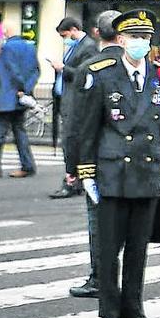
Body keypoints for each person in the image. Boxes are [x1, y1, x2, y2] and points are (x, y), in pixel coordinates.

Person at [75, 9, 160, 318]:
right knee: (109, 248)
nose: (140, 43)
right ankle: (110, 311)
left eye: (145, 38)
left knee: (138, 247)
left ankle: (134, 308)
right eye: (134, 37)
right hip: (112, 172)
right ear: (120, 40)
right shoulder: (100, 72)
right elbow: (85, 127)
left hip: (147, 172)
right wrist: (86, 172)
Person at [63, 10, 121, 299]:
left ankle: (101, 276)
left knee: (98, 221)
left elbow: (78, 122)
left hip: (98, 159)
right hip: (133, 163)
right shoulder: (142, 67)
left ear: (97, 33)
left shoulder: (92, 68)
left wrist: (73, 165)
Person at [49, 17, 98, 199]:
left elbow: (85, 74)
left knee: (71, 140)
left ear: (74, 29)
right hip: (66, 99)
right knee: (69, 141)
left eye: (65, 35)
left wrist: (63, 68)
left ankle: (72, 179)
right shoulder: (76, 47)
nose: (65, 39)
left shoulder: (88, 47)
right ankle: (74, 178)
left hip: (76, 102)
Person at [0, 23, 39, 178]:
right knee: (20, 132)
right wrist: (26, 89)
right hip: (21, 98)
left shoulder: (7, 49)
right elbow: (35, 71)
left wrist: (19, 88)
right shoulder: (30, 47)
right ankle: (27, 165)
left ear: (5, 32)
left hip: (8, 96)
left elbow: (12, 71)